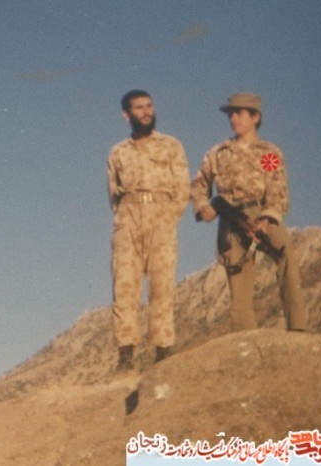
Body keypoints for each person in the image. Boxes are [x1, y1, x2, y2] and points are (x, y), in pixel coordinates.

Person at [190, 92, 307, 332]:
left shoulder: (268, 153)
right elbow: (199, 184)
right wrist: (203, 207)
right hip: (230, 220)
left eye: (240, 113)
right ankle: (246, 339)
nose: (233, 118)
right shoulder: (218, 154)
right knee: (238, 280)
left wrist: (266, 219)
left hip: (262, 214)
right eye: (231, 114)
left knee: (286, 255)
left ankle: (298, 327)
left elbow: (277, 187)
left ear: (255, 117)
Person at [107, 89, 190, 372]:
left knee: (161, 286)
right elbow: (113, 194)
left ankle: (162, 353)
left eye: (149, 106)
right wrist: (126, 218)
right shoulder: (118, 152)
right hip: (128, 218)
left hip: (161, 216)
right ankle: (125, 356)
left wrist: (167, 218)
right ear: (126, 115)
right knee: (124, 287)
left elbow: (182, 188)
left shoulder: (170, 145)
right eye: (139, 108)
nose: (146, 112)